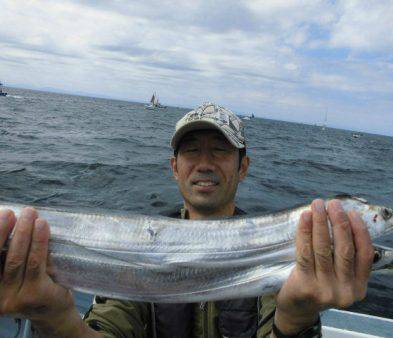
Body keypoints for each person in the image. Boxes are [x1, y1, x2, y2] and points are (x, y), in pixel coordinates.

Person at [0, 102, 374, 337]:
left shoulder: (284, 250)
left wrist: (296, 319)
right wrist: (53, 317)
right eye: (191, 151)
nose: (205, 163)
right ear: (174, 168)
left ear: (243, 167)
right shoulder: (135, 247)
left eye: (221, 152)